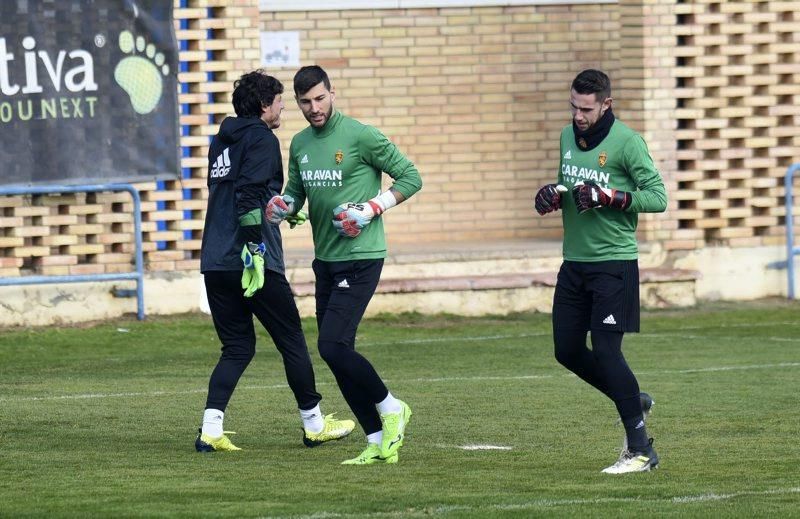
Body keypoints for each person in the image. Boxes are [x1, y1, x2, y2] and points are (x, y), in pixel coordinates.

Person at [266, 65, 423, 465]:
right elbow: (296, 195)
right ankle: (376, 441)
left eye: (319, 98)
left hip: (362, 258)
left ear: (332, 93)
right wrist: (282, 207)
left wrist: (372, 208)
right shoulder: (300, 143)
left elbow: (410, 176)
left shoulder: (360, 135)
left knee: (331, 345)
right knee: (339, 353)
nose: (313, 108)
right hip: (326, 261)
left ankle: (391, 408)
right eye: (304, 102)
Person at [196, 70, 354, 452]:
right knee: (292, 341)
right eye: (280, 99)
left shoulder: (221, 142)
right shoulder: (263, 139)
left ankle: (210, 430)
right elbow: (248, 196)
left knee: (237, 347)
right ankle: (314, 425)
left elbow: (237, 193)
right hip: (252, 261)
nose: (285, 105)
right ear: (265, 106)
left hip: (214, 260)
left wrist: (281, 210)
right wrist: (254, 248)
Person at [534, 69, 667, 474]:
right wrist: (552, 196)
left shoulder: (628, 142)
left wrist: (609, 195)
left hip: (614, 264)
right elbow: (569, 185)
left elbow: (657, 198)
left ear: (606, 104)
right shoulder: (566, 137)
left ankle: (641, 450)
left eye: (587, 109)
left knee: (608, 350)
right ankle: (631, 397)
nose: (578, 115)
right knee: (567, 351)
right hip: (574, 263)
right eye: (574, 106)